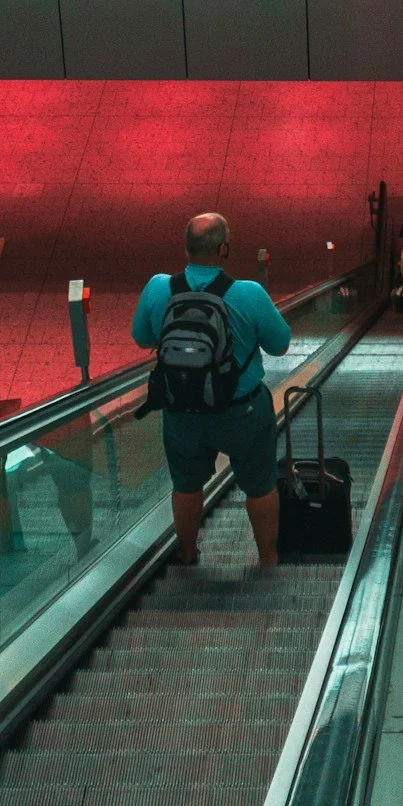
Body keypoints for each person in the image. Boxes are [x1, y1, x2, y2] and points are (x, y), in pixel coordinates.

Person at [132, 213, 293, 567]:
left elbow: (142, 337)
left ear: (186, 247)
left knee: (186, 485)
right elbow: (280, 344)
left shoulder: (159, 287)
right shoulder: (249, 293)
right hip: (242, 410)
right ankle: (268, 559)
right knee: (260, 484)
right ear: (224, 248)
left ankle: (188, 554)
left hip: (181, 411)